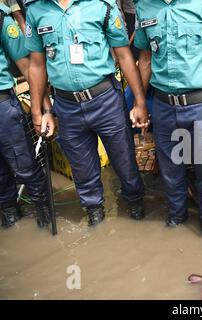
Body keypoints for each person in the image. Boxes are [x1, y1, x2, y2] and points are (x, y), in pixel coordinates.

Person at [25, 0, 150, 226]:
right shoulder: (36, 9)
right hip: (66, 105)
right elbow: (36, 64)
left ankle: (134, 201)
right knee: (82, 168)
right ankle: (94, 212)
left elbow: (123, 55)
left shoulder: (102, 5)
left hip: (105, 100)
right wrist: (39, 111)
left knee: (124, 159)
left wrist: (139, 101)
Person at [134, 0, 202, 235]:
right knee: (170, 169)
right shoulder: (144, 7)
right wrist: (140, 103)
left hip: (200, 105)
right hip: (163, 105)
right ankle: (176, 217)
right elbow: (145, 58)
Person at [0, 3, 52, 228]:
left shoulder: (2, 19)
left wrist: (45, 107)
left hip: (2, 106)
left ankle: (44, 213)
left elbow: (27, 66)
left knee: (25, 165)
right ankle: (11, 215)